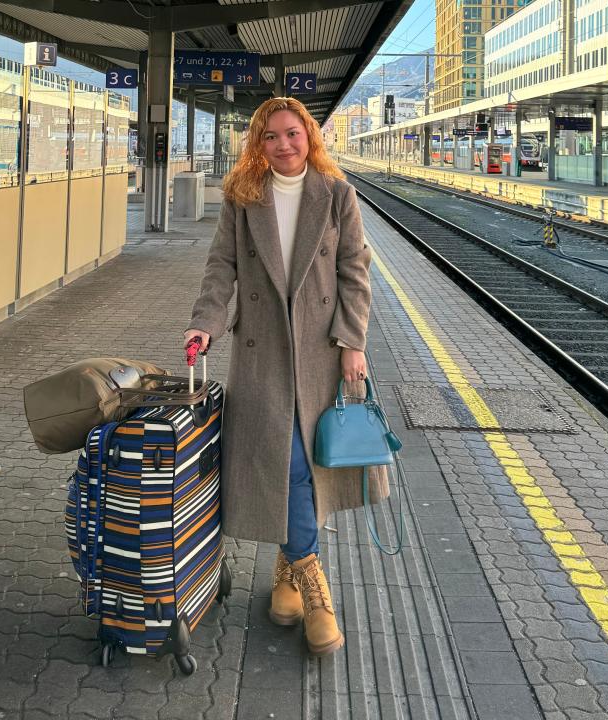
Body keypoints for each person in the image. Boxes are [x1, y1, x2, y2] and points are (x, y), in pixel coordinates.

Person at [185, 97, 387, 657]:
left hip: (321, 350)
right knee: (287, 462)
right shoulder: (242, 197)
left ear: (309, 136)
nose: (283, 144)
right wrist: (204, 326)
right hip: (262, 350)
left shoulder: (338, 195)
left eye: (292, 133)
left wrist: (353, 342)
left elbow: (354, 271)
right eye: (270, 136)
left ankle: (289, 574)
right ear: (258, 143)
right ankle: (313, 586)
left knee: (300, 463)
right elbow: (220, 266)